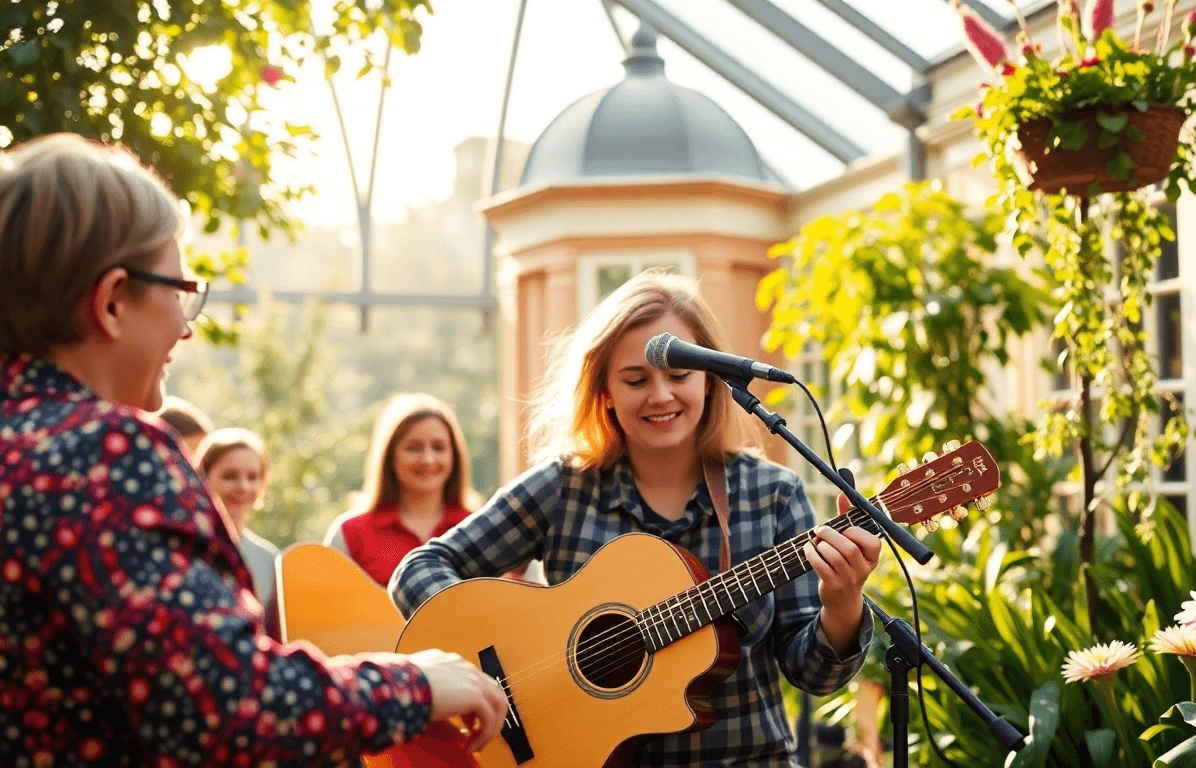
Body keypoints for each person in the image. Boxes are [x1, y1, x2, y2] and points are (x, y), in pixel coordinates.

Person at [0, 132, 506, 766]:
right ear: (110, 302)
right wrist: (417, 683)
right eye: (181, 291)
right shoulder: (107, 455)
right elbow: (227, 706)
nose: (188, 325)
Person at [390, 271, 882, 766]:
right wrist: (505, 650)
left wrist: (842, 605)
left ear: (711, 381)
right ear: (602, 389)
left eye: (679, 375)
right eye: (635, 379)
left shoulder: (771, 493)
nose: (661, 395)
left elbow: (815, 677)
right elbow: (418, 569)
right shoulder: (564, 487)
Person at [324, 393, 483, 588]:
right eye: (413, 448)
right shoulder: (349, 534)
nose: (428, 459)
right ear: (390, 456)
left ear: (455, 455)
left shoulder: (482, 529)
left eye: (439, 447)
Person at [195, 427, 281, 609]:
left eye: (252, 477)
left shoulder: (270, 559)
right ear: (202, 479)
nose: (243, 487)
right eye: (230, 476)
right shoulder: (185, 547)